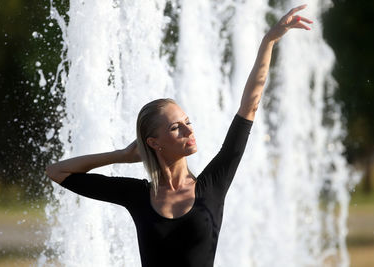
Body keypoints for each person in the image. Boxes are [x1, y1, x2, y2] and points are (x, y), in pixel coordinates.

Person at [46, 4, 313, 267]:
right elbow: (57, 172)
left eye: (188, 122)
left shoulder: (213, 183)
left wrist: (268, 41)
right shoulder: (138, 194)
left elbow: (249, 107)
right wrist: (122, 155)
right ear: (154, 143)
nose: (189, 130)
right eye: (176, 128)